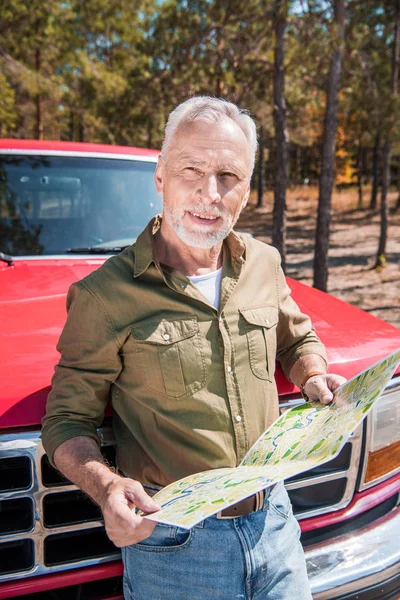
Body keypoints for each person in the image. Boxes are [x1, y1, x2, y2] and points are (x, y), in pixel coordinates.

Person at [42, 96, 346, 600]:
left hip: (276, 523)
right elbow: (66, 422)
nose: (210, 193)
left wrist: (313, 372)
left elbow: (297, 338)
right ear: (161, 177)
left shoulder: (264, 264)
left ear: (247, 190)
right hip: (175, 546)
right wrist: (107, 487)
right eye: (192, 170)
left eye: (229, 175)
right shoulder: (105, 295)